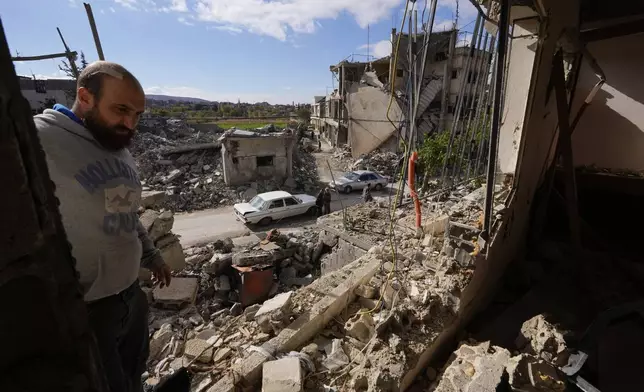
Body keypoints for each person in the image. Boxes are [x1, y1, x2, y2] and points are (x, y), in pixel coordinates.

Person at [34, 61, 171, 392]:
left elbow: (125, 211)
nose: (130, 123)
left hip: (128, 298)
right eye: (121, 109)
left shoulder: (115, 144)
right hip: (88, 310)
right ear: (85, 96)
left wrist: (151, 255)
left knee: (133, 373)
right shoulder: (40, 138)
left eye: (137, 114)